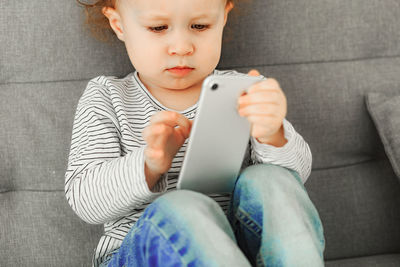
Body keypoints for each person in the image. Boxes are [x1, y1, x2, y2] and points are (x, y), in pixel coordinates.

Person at [65, 0, 325, 266]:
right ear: (119, 25)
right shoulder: (107, 96)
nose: (182, 48)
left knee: (272, 180)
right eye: (158, 27)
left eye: (199, 26)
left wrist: (272, 133)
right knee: (183, 207)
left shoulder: (243, 92)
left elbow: (295, 180)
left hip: (238, 250)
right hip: (141, 253)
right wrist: (149, 164)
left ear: (222, 18)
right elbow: (85, 201)